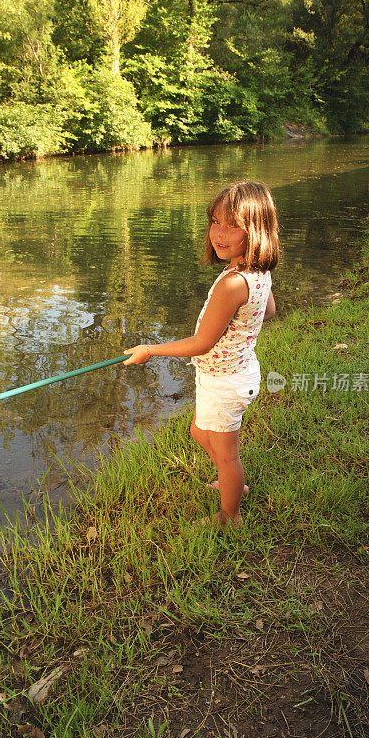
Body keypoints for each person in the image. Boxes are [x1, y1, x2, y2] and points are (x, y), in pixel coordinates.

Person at [124, 180, 280, 528]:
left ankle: (230, 514)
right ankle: (233, 484)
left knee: (227, 456)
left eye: (233, 225)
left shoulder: (233, 282)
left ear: (256, 230)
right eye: (215, 221)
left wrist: (149, 349)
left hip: (225, 381)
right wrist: (242, 327)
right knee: (198, 432)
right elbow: (267, 310)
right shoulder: (255, 271)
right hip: (232, 372)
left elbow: (201, 343)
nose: (219, 234)